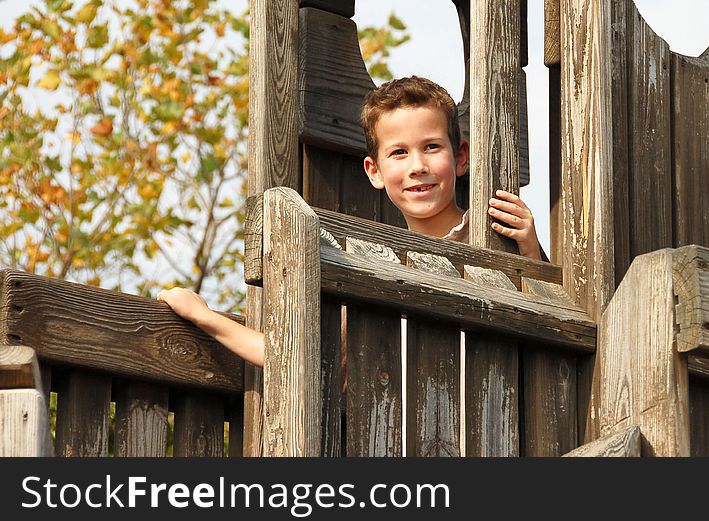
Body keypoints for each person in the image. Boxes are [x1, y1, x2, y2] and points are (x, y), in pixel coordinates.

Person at [158, 75, 544, 368]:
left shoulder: (489, 236)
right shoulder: (376, 267)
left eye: (431, 147)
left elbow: (546, 326)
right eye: (398, 153)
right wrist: (202, 316)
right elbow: (299, 359)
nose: (417, 166)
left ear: (460, 157)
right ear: (374, 171)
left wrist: (529, 250)